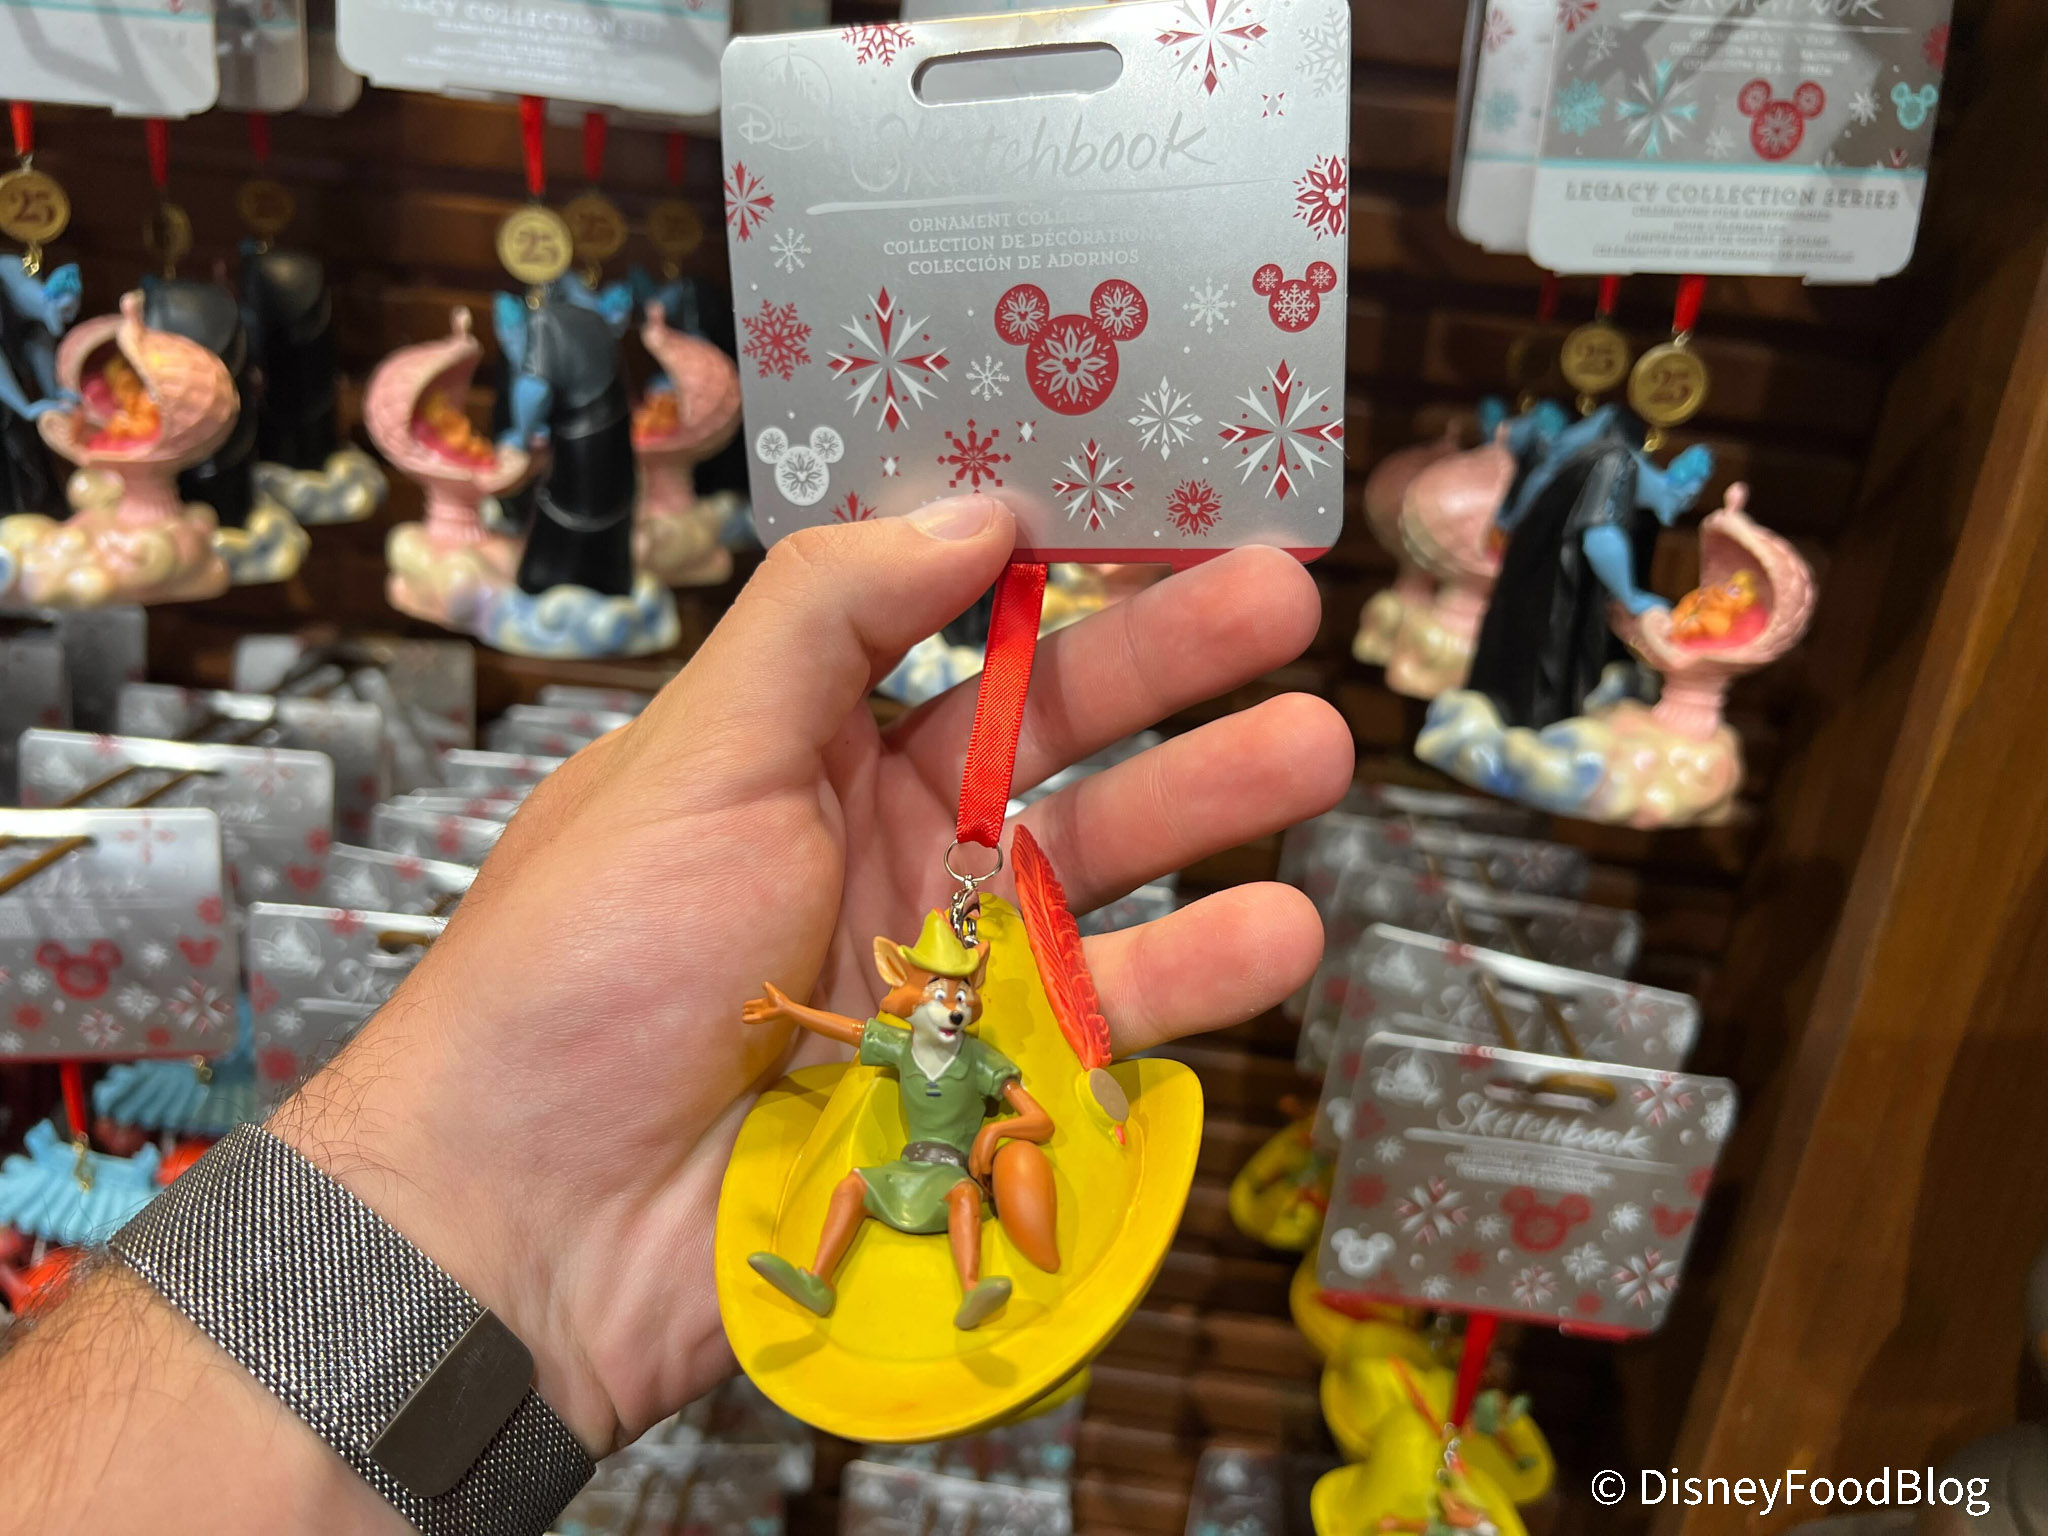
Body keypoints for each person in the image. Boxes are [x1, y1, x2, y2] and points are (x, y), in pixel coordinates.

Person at [0, 495, 1354, 1531]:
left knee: (947, 1203)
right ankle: (814, 1272)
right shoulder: (902, 1034)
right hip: (882, 1162)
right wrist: (780, 1006)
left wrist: (1013, 1124)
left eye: (953, 999)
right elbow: (848, 1039)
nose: (946, 1009)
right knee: (847, 1189)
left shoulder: (979, 1054)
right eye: (939, 997)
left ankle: (976, 1278)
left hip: (948, 1173)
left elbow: (1017, 1103)